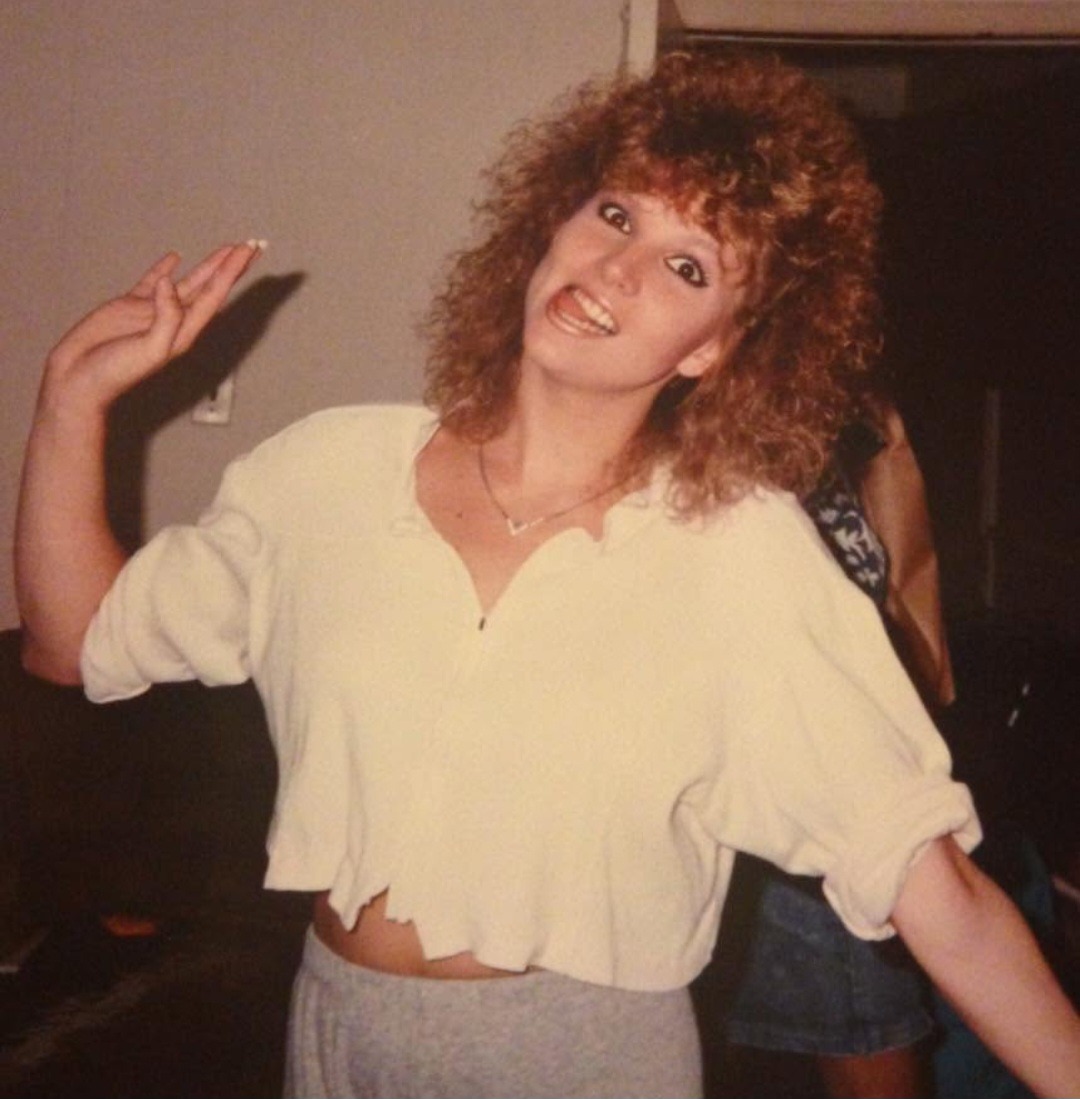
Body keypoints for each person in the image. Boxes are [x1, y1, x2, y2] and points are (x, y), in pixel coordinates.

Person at [14, 49, 1080, 1099]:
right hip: (334, 1024)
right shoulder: (327, 474)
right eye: (617, 214)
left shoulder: (738, 551)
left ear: (713, 349)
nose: (618, 267)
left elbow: (941, 896)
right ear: (554, 223)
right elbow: (76, 641)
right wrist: (70, 403)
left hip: (574, 1056)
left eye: (688, 267)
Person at [718, 404, 955, 1099]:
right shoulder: (719, 468)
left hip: (834, 800)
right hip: (795, 819)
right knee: (865, 1041)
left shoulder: (817, 436)